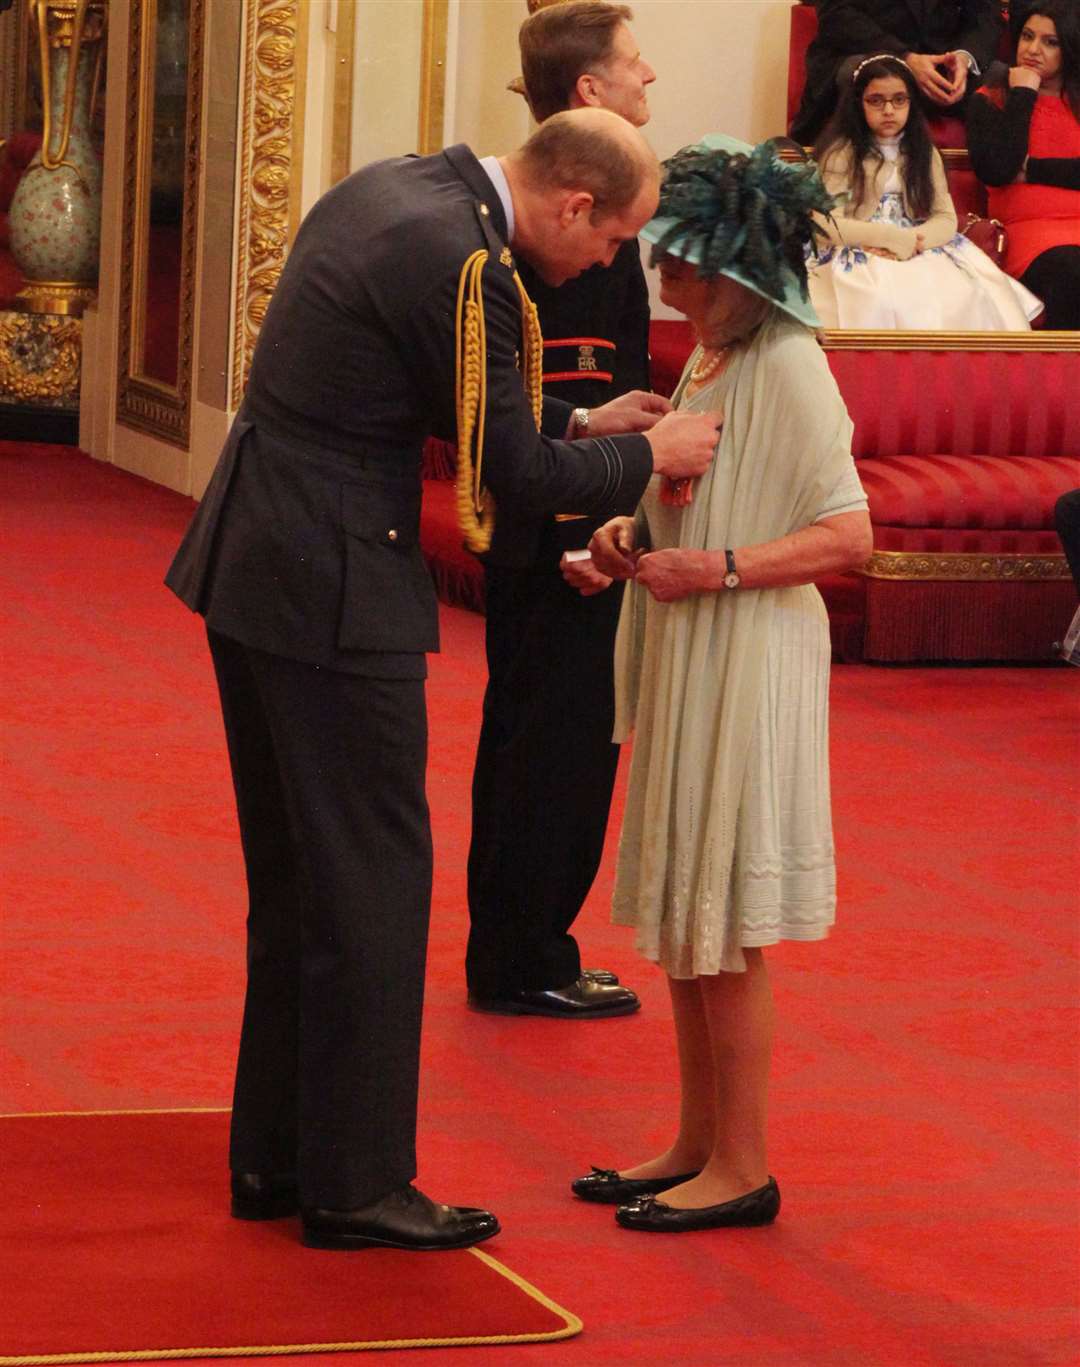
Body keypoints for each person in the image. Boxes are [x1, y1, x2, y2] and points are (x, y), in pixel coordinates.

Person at [164, 108, 721, 1252]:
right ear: (574, 203)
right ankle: (358, 1183)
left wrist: (580, 412)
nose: (608, 263)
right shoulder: (466, 258)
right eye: (613, 240)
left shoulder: (405, 188)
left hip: (260, 555)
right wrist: (643, 453)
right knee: (372, 885)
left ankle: (279, 1153)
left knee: (305, 882)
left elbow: (435, 388)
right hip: (330, 580)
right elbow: (509, 470)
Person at [565, 135, 873, 1232]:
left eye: (683, 262)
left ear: (738, 265)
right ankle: (696, 1140)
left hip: (751, 655)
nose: (663, 278)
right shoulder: (707, 356)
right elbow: (691, 499)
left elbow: (848, 534)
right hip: (698, 644)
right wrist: (625, 536)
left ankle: (743, 1161)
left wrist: (721, 567)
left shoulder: (788, 361)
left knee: (729, 918)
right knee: (696, 910)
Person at [465, 1, 655, 1020]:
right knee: (559, 745)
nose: (650, 77)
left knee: (529, 733)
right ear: (589, 91)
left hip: (550, 512)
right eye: (634, 63)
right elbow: (580, 379)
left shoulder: (551, 193)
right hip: (568, 527)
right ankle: (528, 953)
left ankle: (514, 944)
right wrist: (596, 534)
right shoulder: (586, 212)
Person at [806, 53, 1042, 329]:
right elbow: (825, 222)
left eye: (899, 100)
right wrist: (887, 238)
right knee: (877, 296)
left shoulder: (924, 152)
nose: (889, 110)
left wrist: (910, 242)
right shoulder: (840, 154)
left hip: (915, 242)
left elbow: (945, 218)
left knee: (958, 293)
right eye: (876, 101)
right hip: (859, 242)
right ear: (858, 104)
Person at [967, 0, 1080, 329]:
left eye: (1050, 42)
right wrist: (1023, 94)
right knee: (1071, 272)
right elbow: (999, 170)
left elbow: (1017, 167)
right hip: (1030, 236)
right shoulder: (990, 99)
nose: (1033, 49)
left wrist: (1032, 170)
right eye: (1027, 37)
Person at [790, 0, 1003, 146]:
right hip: (865, 52)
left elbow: (986, 14)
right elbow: (836, 16)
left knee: (999, 78)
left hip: (940, 64)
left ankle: (1002, 198)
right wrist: (904, 59)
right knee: (866, 76)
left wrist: (963, 58)